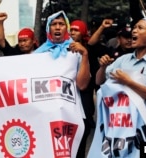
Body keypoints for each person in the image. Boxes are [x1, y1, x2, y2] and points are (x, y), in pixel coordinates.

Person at [96, 17, 146, 142]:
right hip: (122, 134)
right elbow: (99, 81)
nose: (134, 31)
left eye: (140, 28)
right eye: (134, 27)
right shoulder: (123, 60)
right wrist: (102, 67)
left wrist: (128, 82)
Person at [33, 11, 90, 157]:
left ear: (67, 28)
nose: (57, 27)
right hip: (46, 115)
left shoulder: (76, 52)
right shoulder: (37, 55)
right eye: (53, 24)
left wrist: (84, 55)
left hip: (72, 114)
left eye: (61, 24)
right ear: (48, 29)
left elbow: (82, 85)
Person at [70, 19, 95, 158]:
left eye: (76, 30)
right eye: (71, 30)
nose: (72, 33)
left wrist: (84, 54)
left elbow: (83, 84)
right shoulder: (63, 51)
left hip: (83, 109)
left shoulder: (89, 50)